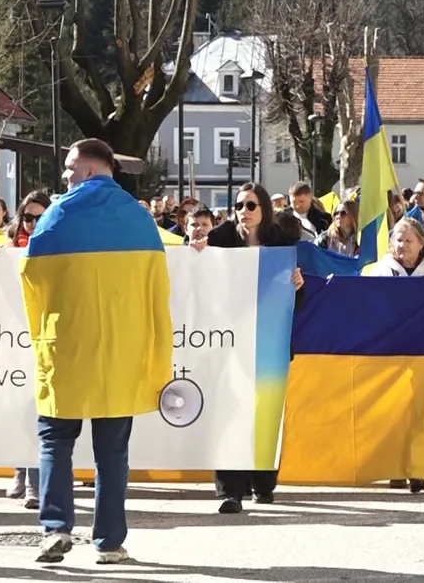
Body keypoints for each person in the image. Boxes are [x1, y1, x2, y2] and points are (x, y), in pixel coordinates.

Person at [21, 138, 172, 565]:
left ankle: (55, 529)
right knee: (112, 452)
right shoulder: (141, 222)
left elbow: (34, 282)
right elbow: (157, 290)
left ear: (89, 170)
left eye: (70, 168)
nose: (65, 176)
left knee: (54, 441)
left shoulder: (57, 214)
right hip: (119, 355)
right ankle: (108, 543)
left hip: (67, 349)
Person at [191, 183, 304, 512]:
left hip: (268, 342)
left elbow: (294, 302)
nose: (244, 210)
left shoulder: (282, 244)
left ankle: (263, 483)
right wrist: (196, 254)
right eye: (240, 205)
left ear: (265, 208)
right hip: (226, 342)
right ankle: (229, 490)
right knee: (228, 412)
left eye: (252, 205)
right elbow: (196, 280)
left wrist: (298, 285)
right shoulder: (220, 239)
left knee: (265, 410)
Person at [366, 217, 424, 493]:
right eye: (398, 240)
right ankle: (395, 469)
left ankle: (418, 469)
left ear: (421, 242)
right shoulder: (381, 271)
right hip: (390, 351)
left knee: (421, 410)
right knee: (393, 410)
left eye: (408, 240)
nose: (402, 245)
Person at [0, 190, 52, 509]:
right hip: (13, 338)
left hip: (47, 337)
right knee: (18, 409)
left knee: (36, 410)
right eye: (28, 217)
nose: (34, 223)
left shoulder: (58, 246)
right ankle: (20, 471)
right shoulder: (9, 248)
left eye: (41, 217)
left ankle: (35, 484)